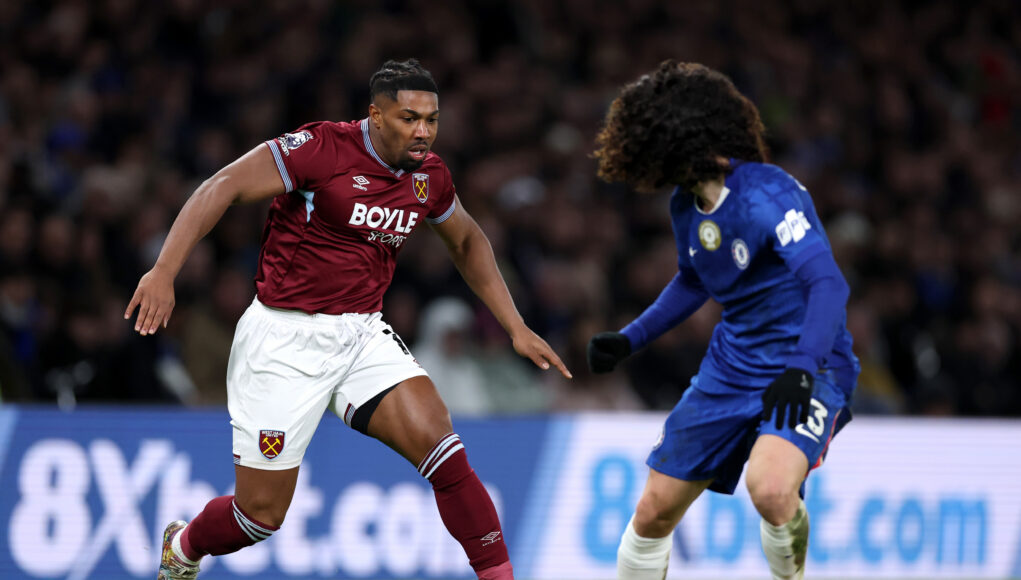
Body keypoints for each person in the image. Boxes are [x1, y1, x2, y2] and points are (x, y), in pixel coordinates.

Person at [125, 58, 571, 580]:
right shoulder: (321, 148)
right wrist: (164, 271)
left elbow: (468, 240)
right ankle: (184, 545)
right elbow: (221, 185)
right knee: (259, 517)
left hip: (361, 334)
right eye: (409, 118)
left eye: (431, 120)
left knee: (446, 453)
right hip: (283, 341)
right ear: (376, 116)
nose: (423, 132)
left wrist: (515, 326)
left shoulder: (430, 176)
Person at [586, 60, 859, 580]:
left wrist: (802, 367)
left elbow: (828, 284)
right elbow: (694, 280)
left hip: (808, 366)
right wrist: (630, 339)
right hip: (731, 369)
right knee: (653, 511)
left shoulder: (767, 193)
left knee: (771, 490)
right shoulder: (684, 206)